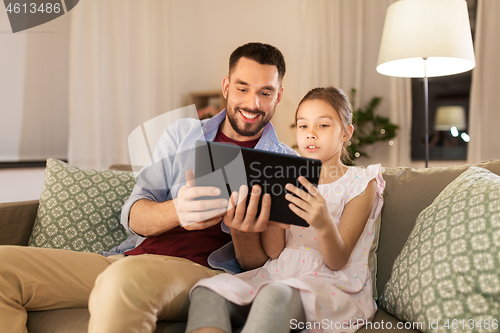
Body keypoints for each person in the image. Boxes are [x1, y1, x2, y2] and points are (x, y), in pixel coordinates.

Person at [0, 42, 297, 333]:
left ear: (279, 95)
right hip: (127, 258)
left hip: (206, 276)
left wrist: (242, 233)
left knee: (125, 279)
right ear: (226, 87)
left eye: (265, 92)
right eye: (242, 88)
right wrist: (177, 211)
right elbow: (135, 214)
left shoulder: (285, 164)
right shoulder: (182, 134)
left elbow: (265, 268)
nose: (252, 103)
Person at [186, 87, 386, 333]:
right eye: (303, 126)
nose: (310, 134)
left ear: (346, 132)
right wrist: (271, 220)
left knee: (275, 294)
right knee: (208, 290)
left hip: (329, 283)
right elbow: (274, 251)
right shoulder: (285, 176)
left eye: (322, 126)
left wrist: (323, 223)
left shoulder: (360, 182)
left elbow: (337, 261)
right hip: (278, 274)